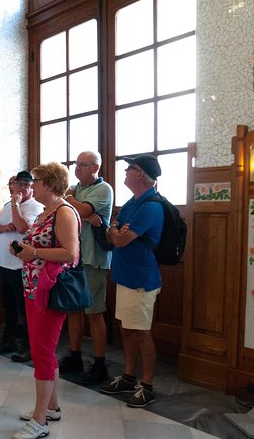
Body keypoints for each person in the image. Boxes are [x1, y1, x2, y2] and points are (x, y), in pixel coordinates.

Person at [11, 162, 79, 439]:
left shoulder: (64, 212)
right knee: (43, 350)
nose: (30, 185)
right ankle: (51, 406)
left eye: (36, 181)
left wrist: (34, 253)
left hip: (51, 290)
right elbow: (35, 246)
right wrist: (22, 250)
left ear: (50, 184)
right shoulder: (44, 213)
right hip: (34, 288)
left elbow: (70, 253)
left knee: (42, 353)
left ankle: (40, 421)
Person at [99, 154, 164, 408]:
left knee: (142, 333)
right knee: (127, 330)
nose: (125, 171)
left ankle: (147, 385)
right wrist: (116, 228)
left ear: (140, 174)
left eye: (129, 168)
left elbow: (119, 239)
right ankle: (128, 377)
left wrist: (116, 231)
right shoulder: (132, 202)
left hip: (141, 280)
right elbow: (112, 227)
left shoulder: (151, 206)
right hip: (126, 277)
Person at [59, 151, 113, 384]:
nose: (77, 168)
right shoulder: (74, 189)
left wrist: (75, 205)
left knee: (94, 312)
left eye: (82, 165)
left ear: (95, 168)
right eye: (76, 164)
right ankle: (75, 356)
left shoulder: (103, 189)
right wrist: (80, 210)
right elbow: (62, 210)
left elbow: (76, 211)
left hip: (93, 258)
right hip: (72, 257)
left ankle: (100, 363)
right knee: (73, 309)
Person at [0, 172, 43, 362]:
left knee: (24, 307)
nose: (19, 188)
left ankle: (27, 345)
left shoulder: (35, 206)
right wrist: (4, 228)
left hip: (21, 265)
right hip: (4, 263)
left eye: (24, 185)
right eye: (16, 184)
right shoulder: (7, 206)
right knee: (9, 305)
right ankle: (9, 339)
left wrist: (16, 205)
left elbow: (22, 228)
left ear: (32, 187)